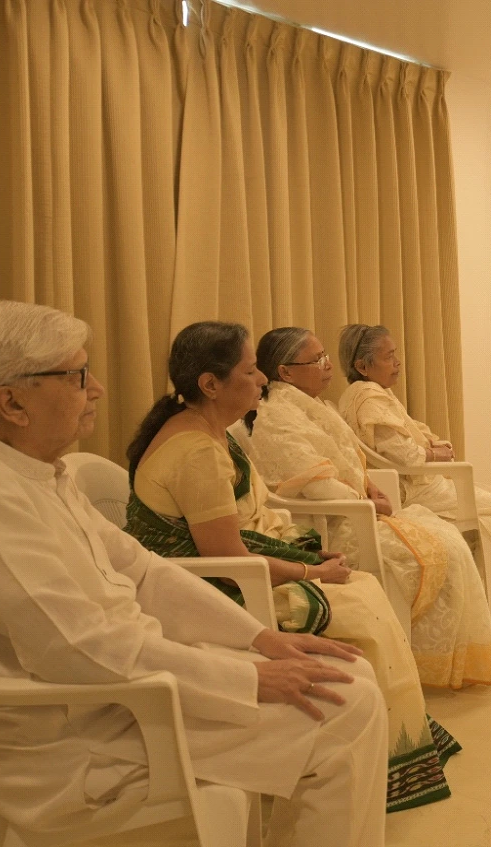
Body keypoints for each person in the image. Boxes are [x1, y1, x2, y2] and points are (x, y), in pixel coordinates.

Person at [0, 299, 386, 845]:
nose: (97, 388)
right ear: (12, 403)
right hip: (84, 734)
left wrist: (260, 639)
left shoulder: (32, 473)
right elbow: (77, 648)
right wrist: (250, 678)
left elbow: (144, 572)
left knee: (350, 678)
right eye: (78, 376)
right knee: (347, 705)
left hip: (123, 692)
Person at [124, 320, 458, 812]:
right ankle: (387, 758)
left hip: (229, 566)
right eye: (250, 370)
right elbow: (228, 561)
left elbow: (246, 522)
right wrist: (310, 572)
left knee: (365, 587)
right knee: (361, 600)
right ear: (211, 384)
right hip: (214, 589)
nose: (262, 379)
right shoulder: (196, 450)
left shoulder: (205, 429)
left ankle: (394, 744)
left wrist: (306, 555)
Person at [230, 328, 491, 691]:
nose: (329, 366)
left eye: (326, 356)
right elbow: (315, 485)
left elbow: (350, 461)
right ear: (285, 372)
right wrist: (365, 502)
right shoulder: (277, 415)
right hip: (330, 524)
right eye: (318, 360)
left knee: (449, 539)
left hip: (354, 507)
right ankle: (418, 660)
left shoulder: (317, 406)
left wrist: (369, 485)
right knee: (443, 549)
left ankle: (440, 654)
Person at [335, 323, 491, 567]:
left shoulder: (360, 393)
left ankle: (477, 578)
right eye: (389, 357)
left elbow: (410, 427)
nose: (397, 363)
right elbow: (405, 455)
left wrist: (434, 444)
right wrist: (435, 454)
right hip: (415, 490)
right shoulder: (370, 398)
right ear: (362, 367)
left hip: (421, 482)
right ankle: (477, 579)